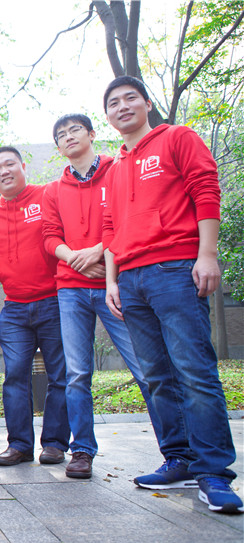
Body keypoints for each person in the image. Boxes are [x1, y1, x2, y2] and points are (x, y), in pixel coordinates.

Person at [102, 76, 242, 513]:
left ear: (147, 103)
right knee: (157, 376)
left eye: (130, 98)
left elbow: (206, 189)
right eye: (113, 103)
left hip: (175, 269)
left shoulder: (177, 138)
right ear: (108, 116)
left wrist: (207, 254)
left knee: (194, 371)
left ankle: (214, 472)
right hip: (131, 280)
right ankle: (178, 459)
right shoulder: (116, 168)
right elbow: (110, 230)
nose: (122, 107)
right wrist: (111, 282)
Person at [41, 113, 154, 480]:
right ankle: (82, 451)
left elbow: (127, 221)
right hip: (71, 290)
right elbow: (50, 236)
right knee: (77, 374)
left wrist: (98, 255)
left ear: (91, 134)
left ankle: (177, 451)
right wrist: (75, 258)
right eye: (61, 134)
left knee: (146, 368)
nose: (68, 137)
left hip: (116, 284)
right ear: (58, 148)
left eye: (75, 130)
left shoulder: (117, 171)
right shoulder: (53, 190)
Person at [0, 147, 70, 467]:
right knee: (14, 377)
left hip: (54, 301)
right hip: (15, 308)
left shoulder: (48, 194)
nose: (4, 171)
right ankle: (20, 445)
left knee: (60, 376)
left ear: (23, 166)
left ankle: (55, 444)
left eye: (10, 164)